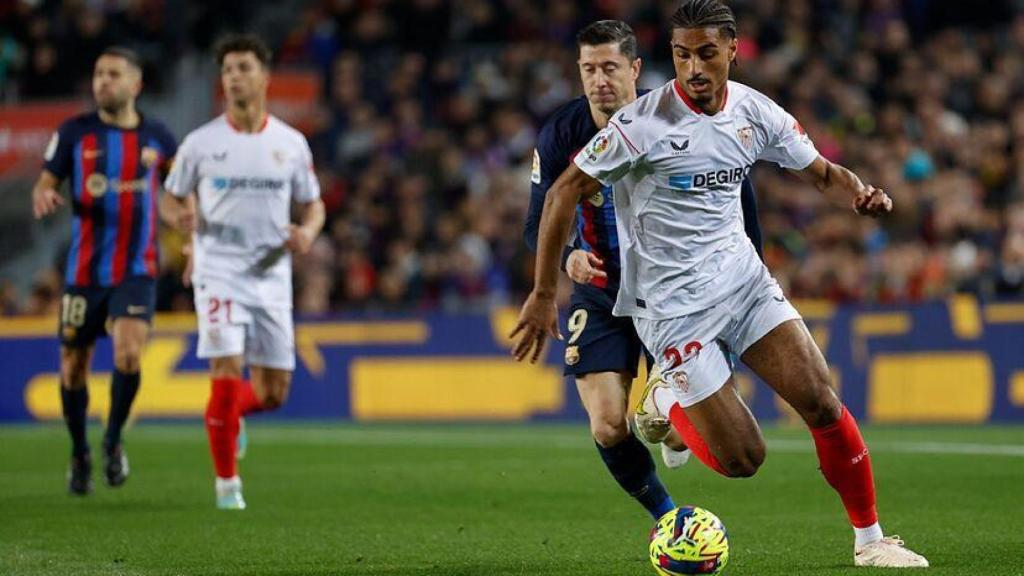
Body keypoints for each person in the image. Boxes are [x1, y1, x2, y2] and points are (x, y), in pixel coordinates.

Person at [512, 0, 928, 568]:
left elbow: (823, 173)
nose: (693, 68)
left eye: (707, 54)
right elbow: (561, 193)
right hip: (673, 309)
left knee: (822, 402)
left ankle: (871, 539)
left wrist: (859, 194)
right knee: (743, 459)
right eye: (682, 56)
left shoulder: (756, 112)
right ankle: (664, 396)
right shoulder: (641, 125)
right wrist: (542, 294)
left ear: (733, 50)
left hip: (744, 285)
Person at [524, 19, 765, 520]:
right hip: (601, 292)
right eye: (589, 68)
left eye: (610, 66)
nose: (599, 80)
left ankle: (671, 420)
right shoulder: (559, 135)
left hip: (674, 293)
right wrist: (568, 254)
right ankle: (670, 519)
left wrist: (745, 280)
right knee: (609, 425)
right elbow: (537, 220)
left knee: (676, 428)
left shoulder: (676, 117)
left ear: (634, 68)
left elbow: (737, 197)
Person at [162, 33, 325, 510]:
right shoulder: (200, 144)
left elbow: (313, 205)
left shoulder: (290, 144)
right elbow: (171, 198)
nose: (234, 76)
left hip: (272, 276)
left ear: (264, 76)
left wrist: (309, 233)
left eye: (243, 68)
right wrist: (181, 219)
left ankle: (229, 417)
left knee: (273, 393)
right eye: (228, 69)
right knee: (226, 368)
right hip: (219, 271)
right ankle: (227, 487)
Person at [31, 47, 177, 495]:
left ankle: (113, 440)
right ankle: (80, 451)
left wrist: (181, 213)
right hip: (84, 272)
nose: (102, 82)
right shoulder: (74, 133)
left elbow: (175, 191)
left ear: (135, 84)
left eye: (113, 74)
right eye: (98, 74)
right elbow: (44, 183)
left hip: (137, 268)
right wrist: (43, 196)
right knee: (73, 366)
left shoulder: (158, 138)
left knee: (130, 353)